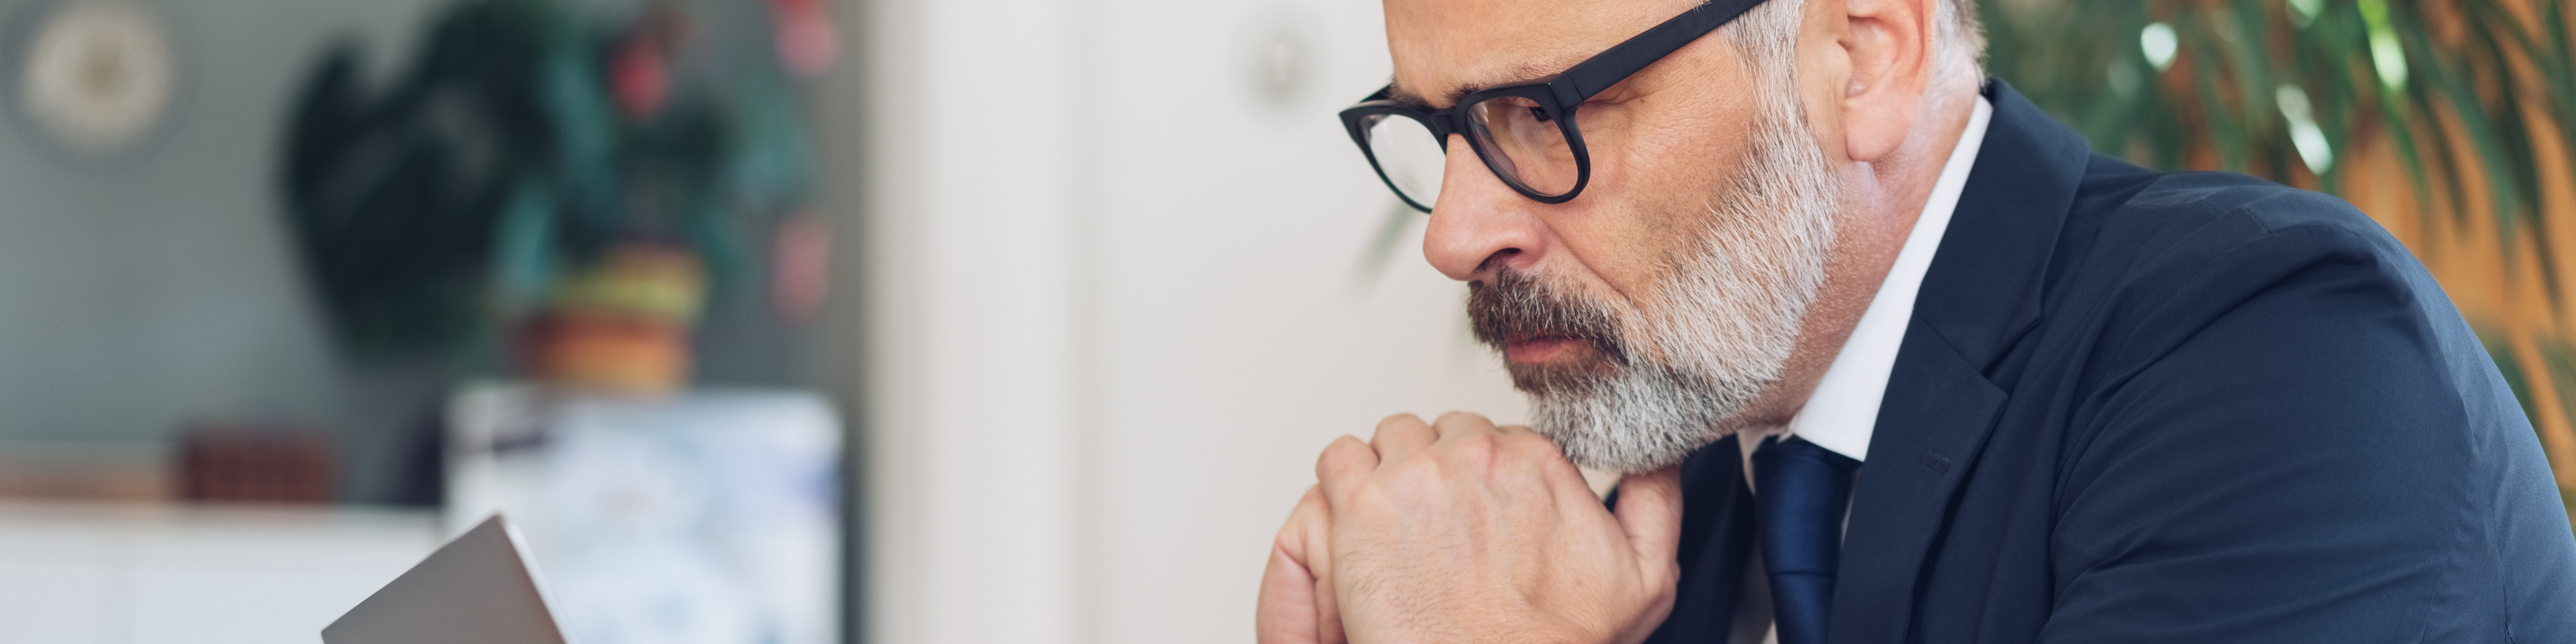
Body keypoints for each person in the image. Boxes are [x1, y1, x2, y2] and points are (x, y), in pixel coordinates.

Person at [1254, 0, 2576, 641]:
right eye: (1437, 132)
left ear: (1862, 55)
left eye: (1543, 114)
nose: (1451, 232)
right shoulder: (1686, 491)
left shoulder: (2286, 359)